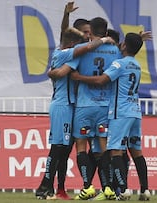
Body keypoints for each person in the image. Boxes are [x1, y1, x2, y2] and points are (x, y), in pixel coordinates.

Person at [71, 32, 150, 201]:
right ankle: (145, 190)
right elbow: (129, 47)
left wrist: (79, 77)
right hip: (135, 111)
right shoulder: (136, 64)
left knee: (115, 150)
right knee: (136, 151)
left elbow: (101, 81)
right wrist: (138, 40)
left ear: (124, 46)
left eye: (123, 43)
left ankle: (122, 189)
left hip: (120, 111)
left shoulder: (119, 64)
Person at [35, 27, 113, 200]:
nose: (82, 44)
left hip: (66, 105)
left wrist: (65, 14)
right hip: (63, 106)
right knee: (57, 148)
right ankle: (44, 187)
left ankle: (49, 187)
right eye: (78, 42)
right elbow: (62, 71)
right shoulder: (71, 56)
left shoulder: (58, 51)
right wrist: (105, 40)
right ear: (72, 44)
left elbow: (57, 71)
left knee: (60, 149)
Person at [65, 16, 122, 200]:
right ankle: (107, 188)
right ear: (106, 32)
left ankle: (87, 186)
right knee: (103, 148)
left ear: (90, 31)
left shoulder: (80, 50)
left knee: (81, 146)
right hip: (105, 106)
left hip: (84, 105)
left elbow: (70, 71)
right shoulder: (115, 51)